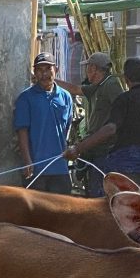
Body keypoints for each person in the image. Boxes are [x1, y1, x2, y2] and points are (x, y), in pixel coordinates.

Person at [64, 58, 140, 195]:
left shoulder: (123, 99)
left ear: (125, 78)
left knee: (118, 206)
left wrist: (79, 148)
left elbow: (110, 128)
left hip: (124, 167)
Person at [59, 52, 124, 195]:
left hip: (106, 149)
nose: (86, 71)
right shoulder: (97, 86)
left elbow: (122, 111)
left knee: (100, 194)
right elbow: (75, 89)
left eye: (88, 67)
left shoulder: (111, 84)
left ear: (94, 68)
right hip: (95, 148)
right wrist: (52, 81)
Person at [14, 52, 74, 194]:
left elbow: (67, 127)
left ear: (56, 70)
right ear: (35, 72)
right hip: (36, 168)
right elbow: (22, 131)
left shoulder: (65, 97)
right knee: (36, 214)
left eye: (48, 69)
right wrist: (27, 160)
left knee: (61, 212)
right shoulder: (25, 98)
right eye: (40, 70)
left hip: (60, 167)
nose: (44, 74)